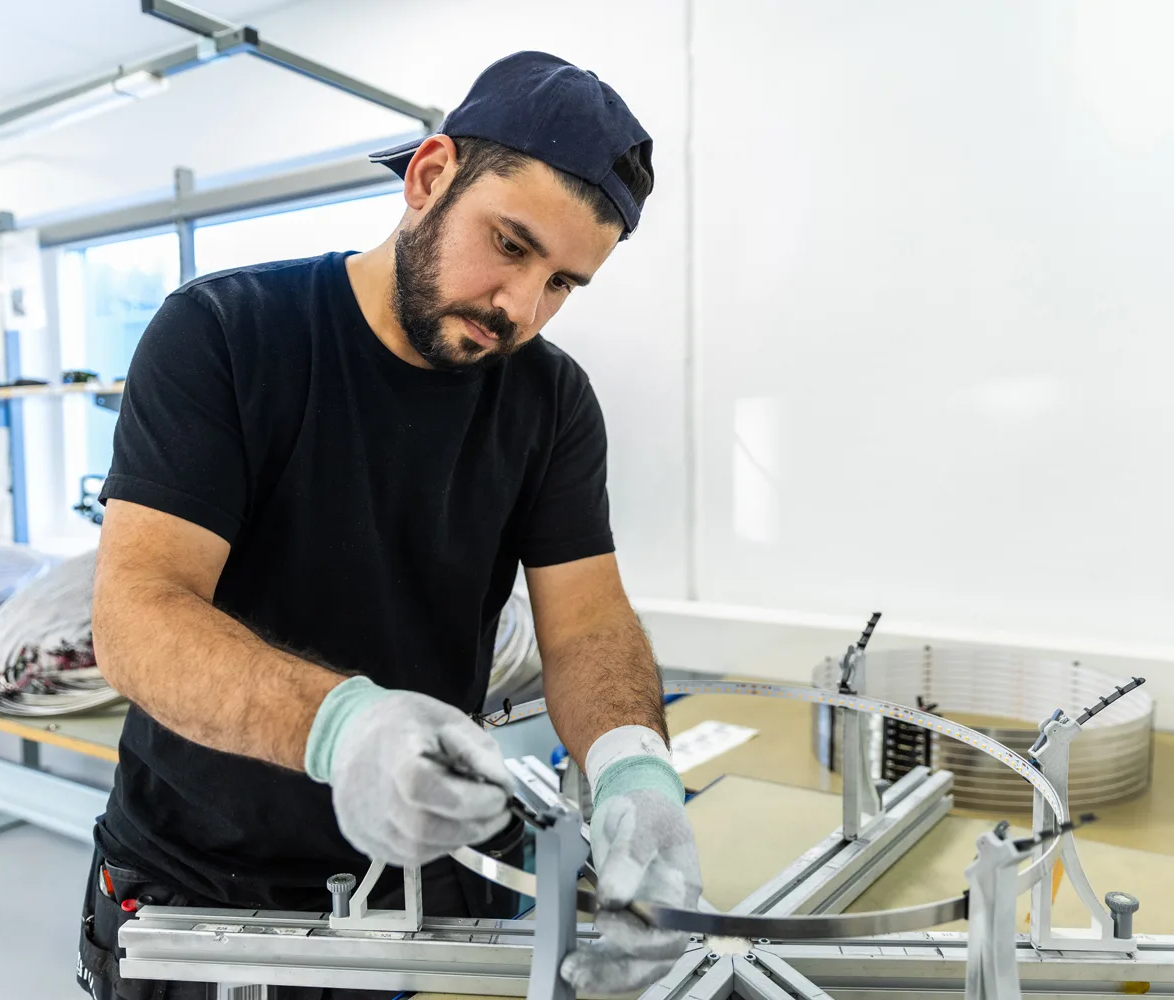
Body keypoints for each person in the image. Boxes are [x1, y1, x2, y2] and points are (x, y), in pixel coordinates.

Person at [75, 50, 703, 1000]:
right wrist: (343, 729)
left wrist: (633, 768)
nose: (521, 309)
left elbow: (587, 626)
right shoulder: (224, 336)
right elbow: (137, 613)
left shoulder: (552, 402)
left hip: (422, 894)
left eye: (565, 283)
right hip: (202, 891)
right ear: (430, 176)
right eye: (511, 244)